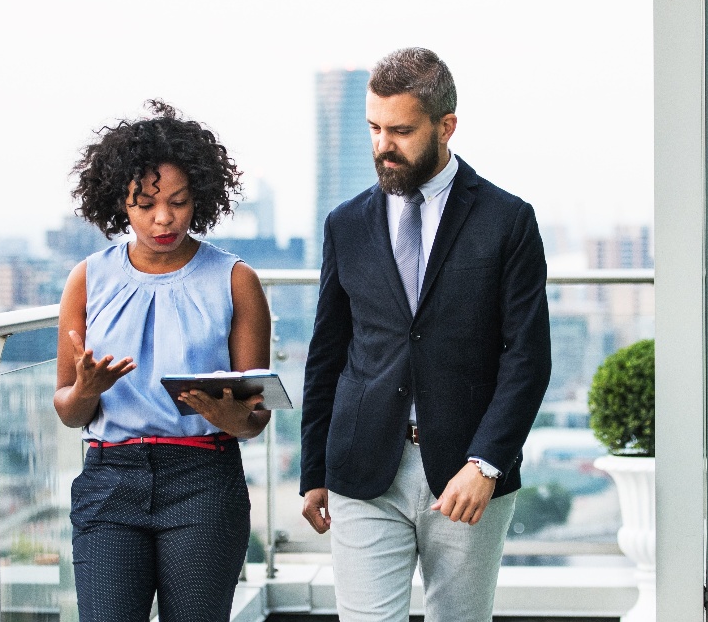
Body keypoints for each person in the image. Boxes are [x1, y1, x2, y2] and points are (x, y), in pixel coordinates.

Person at [299, 48, 552, 622]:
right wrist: (313, 469)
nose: (383, 145)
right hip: (363, 467)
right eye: (374, 128)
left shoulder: (508, 220)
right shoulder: (346, 223)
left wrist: (486, 463)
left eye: (401, 130)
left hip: (468, 471)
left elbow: (528, 358)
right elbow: (328, 353)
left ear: (446, 127)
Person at [54, 99, 272, 622]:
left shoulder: (235, 280)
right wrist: (86, 389)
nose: (163, 218)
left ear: (200, 197)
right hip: (110, 479)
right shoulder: (87, 278)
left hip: (204, 477)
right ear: (118, 203)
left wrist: (232, 417)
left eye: (178, 201)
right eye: (144, 203)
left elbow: (256, 415)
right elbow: (67, 409)